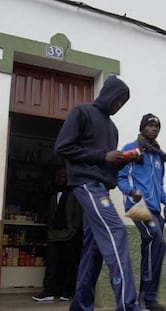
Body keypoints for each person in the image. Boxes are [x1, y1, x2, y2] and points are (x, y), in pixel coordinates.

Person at [55, 75, 141, 311]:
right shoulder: (81, 112)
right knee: (116, 232)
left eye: (123, 102)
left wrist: (124, 159)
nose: (119, 105)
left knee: (94, 250)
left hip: (101, 187)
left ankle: (81, 306)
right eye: (118, 99)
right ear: (108, 94)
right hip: (85, 184)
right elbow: (62, 147)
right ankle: (127, 305)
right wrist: (103, 155)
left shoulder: (112, 129)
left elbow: (107, 165)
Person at [117, 113, 166, 311]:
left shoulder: (159, 156)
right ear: (142, 127)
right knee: (157, 240)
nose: (154, 128)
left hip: (156, 209)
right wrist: (132, 192)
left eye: (157, 126)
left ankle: (149, 298)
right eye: (150, 125)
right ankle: (145, 299)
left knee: (155, 248)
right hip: (137, 205)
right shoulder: (130, 149)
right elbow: (120, 177)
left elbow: (160, 185)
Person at [32, 167, 83, 302]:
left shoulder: (76, 194)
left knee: (68, 265)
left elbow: (78, 215)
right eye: (60, 176)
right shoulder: (54, 195)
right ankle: (49, 291)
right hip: (53, 235)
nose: (62, 178)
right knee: (51, 264)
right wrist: (50, 232)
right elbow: (51, 215)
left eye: (64, 176)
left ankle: (67, 292)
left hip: (70, 235)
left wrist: (73, 230)